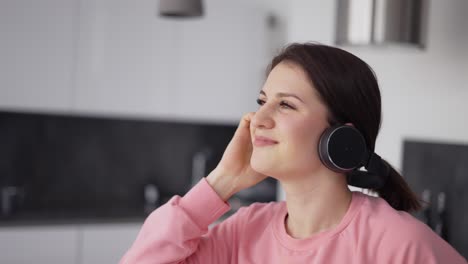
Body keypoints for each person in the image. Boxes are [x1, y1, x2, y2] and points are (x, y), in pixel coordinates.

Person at [120, 43, 467, 263]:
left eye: (285, 104)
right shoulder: (242, 232)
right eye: (261, 101)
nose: (259, 119)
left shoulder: (396, 244)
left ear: (342, 140)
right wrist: (221, 182)